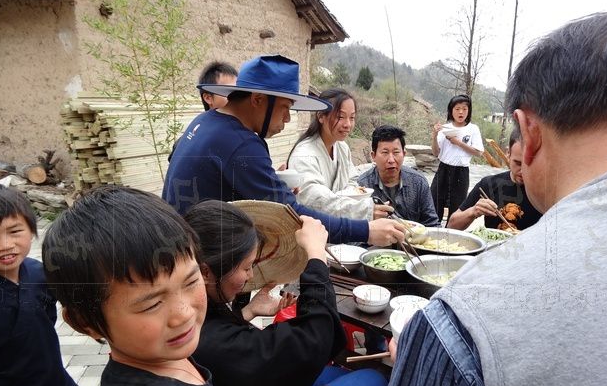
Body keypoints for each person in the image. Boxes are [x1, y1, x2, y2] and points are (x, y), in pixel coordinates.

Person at [359, 10, 607, 386]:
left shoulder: (468, 314)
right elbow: (444, 226)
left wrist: (424, 362)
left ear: (528, 132)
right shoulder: (391, 186)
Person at [42, 186, 245, 386]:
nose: (183, 314)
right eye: (151, 304)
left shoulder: (157, 359)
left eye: (192, 281)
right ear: (84, 322)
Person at [184, 200, 387, 386]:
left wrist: (247, 312)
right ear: (205, 272)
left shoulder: (190, 312)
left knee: (336, 373)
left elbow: (225, 344)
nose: (249, 277)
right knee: (375, 381)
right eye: (246, 268)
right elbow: (312, 341)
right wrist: (316, 257)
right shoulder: (196, 338)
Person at [162, 54, 405, 247]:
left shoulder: (206, 121)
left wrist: (271, 182)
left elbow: (218, 181)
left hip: (179, 236)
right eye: (285, 108)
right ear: (257, 100)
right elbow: (291, 215)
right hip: (199, 252)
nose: (288, 118)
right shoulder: (242, 143)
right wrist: (366, 230)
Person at [0, 184, 101, 386]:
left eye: (15, 231)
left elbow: (76, 303)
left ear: (32, 231)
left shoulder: (39, 273)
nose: (4, 245)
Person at [287, 89, 393, 220]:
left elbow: (352, 181)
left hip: (341, 225)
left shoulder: (342, 148)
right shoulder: (304, 155)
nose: (348, 124)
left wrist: (354, 199)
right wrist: (365, 210)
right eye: (340, 117)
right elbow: (315, 200)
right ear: (321, 116)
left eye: (352, 118)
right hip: (313, 230)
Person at [447, 128, 542, 231]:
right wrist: (473, 211)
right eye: (518, 163)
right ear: (508, 153)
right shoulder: (489, 184)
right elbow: (451, 226)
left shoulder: (545, 192)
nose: (523, 171)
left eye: (529, 164)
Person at [358, 125, 439, 226]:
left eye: (396, 152)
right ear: (373, 156)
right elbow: (355, 230)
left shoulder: (418, 182)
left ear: (404, 154)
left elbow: (432, 223)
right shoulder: (362, 186)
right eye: (385, 153)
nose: (391, 160)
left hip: (413, 240)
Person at [168, 60, 238, 162]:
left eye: (239, 92)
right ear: (208, 98)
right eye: (230, 92)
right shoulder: (222, 134)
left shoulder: (201, 121)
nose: (238, 98)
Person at [430, 94, 484, 224]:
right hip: (443, 170)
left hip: (461, 173)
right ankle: (433, 232)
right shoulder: (445, 128)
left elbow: (479, 152)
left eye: (465, 109)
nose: (461, 112)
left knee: (457, 208)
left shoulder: (473, 129)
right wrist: (434, 135)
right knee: (434, 203)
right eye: (457, 108)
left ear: (469, 111)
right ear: (451, 110)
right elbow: (436, 152)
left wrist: (458, 142)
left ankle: (451, 236)